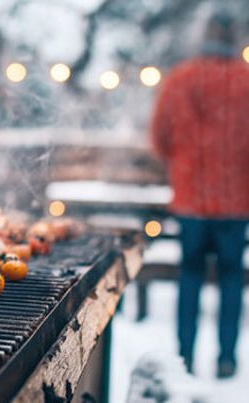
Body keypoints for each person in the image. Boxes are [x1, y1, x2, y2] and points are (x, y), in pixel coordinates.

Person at [150, 10, 249, 378]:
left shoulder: (180, 80)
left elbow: (159, 136)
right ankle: (227, 357)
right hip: (237, 203)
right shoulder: (247, 81)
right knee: (230, 279)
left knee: (189, 276)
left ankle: (184, 356)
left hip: (190, 199)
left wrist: (182, 165)